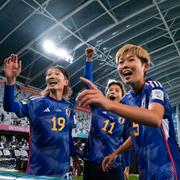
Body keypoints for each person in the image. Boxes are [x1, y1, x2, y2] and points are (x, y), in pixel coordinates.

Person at [77, 44, 180, 179]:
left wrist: (109, 104)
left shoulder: (154, 87)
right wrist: (116, 153)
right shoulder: (127, 99)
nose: (124, 65)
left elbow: (155, 118)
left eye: (131, 60)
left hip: (167, 169)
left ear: (145, 66)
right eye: (121, 62)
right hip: (145, 171)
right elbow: (135, 135)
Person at [3, 54, 80, 179]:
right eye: (49, 74)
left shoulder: (70, 107)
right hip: (38, 171)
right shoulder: (35, 103)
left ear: (66, 81)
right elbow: (9, 106)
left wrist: (75, 157)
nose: (51, 76)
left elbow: (68, 137)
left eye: (56, 74)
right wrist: (10, 81)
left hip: (63, 172)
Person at [83, 79, 131, 180]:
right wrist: (88, 63)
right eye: (110, 90)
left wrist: (127, 166)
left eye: (117, 90)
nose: (113, 91)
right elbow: (89, 87)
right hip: (92, 162)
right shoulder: (97, 108)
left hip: (113, 164)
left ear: (122, 96)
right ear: (106, 94)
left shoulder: (125, 116)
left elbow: (127, 142)